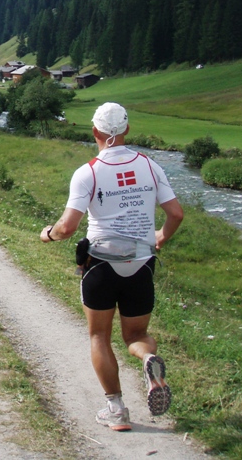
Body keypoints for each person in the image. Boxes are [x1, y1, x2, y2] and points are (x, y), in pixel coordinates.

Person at [40, 102, 183, 432]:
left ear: (95, 132)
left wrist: (48, 234)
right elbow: (176, 214)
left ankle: (116, 410)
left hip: (101, 267)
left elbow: (67, 228)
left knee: (99, 336)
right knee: (137, 335)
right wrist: (160, 237)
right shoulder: (150, 166)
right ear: (127, 130)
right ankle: (148, 360)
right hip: (141, 265)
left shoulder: (88, 172)